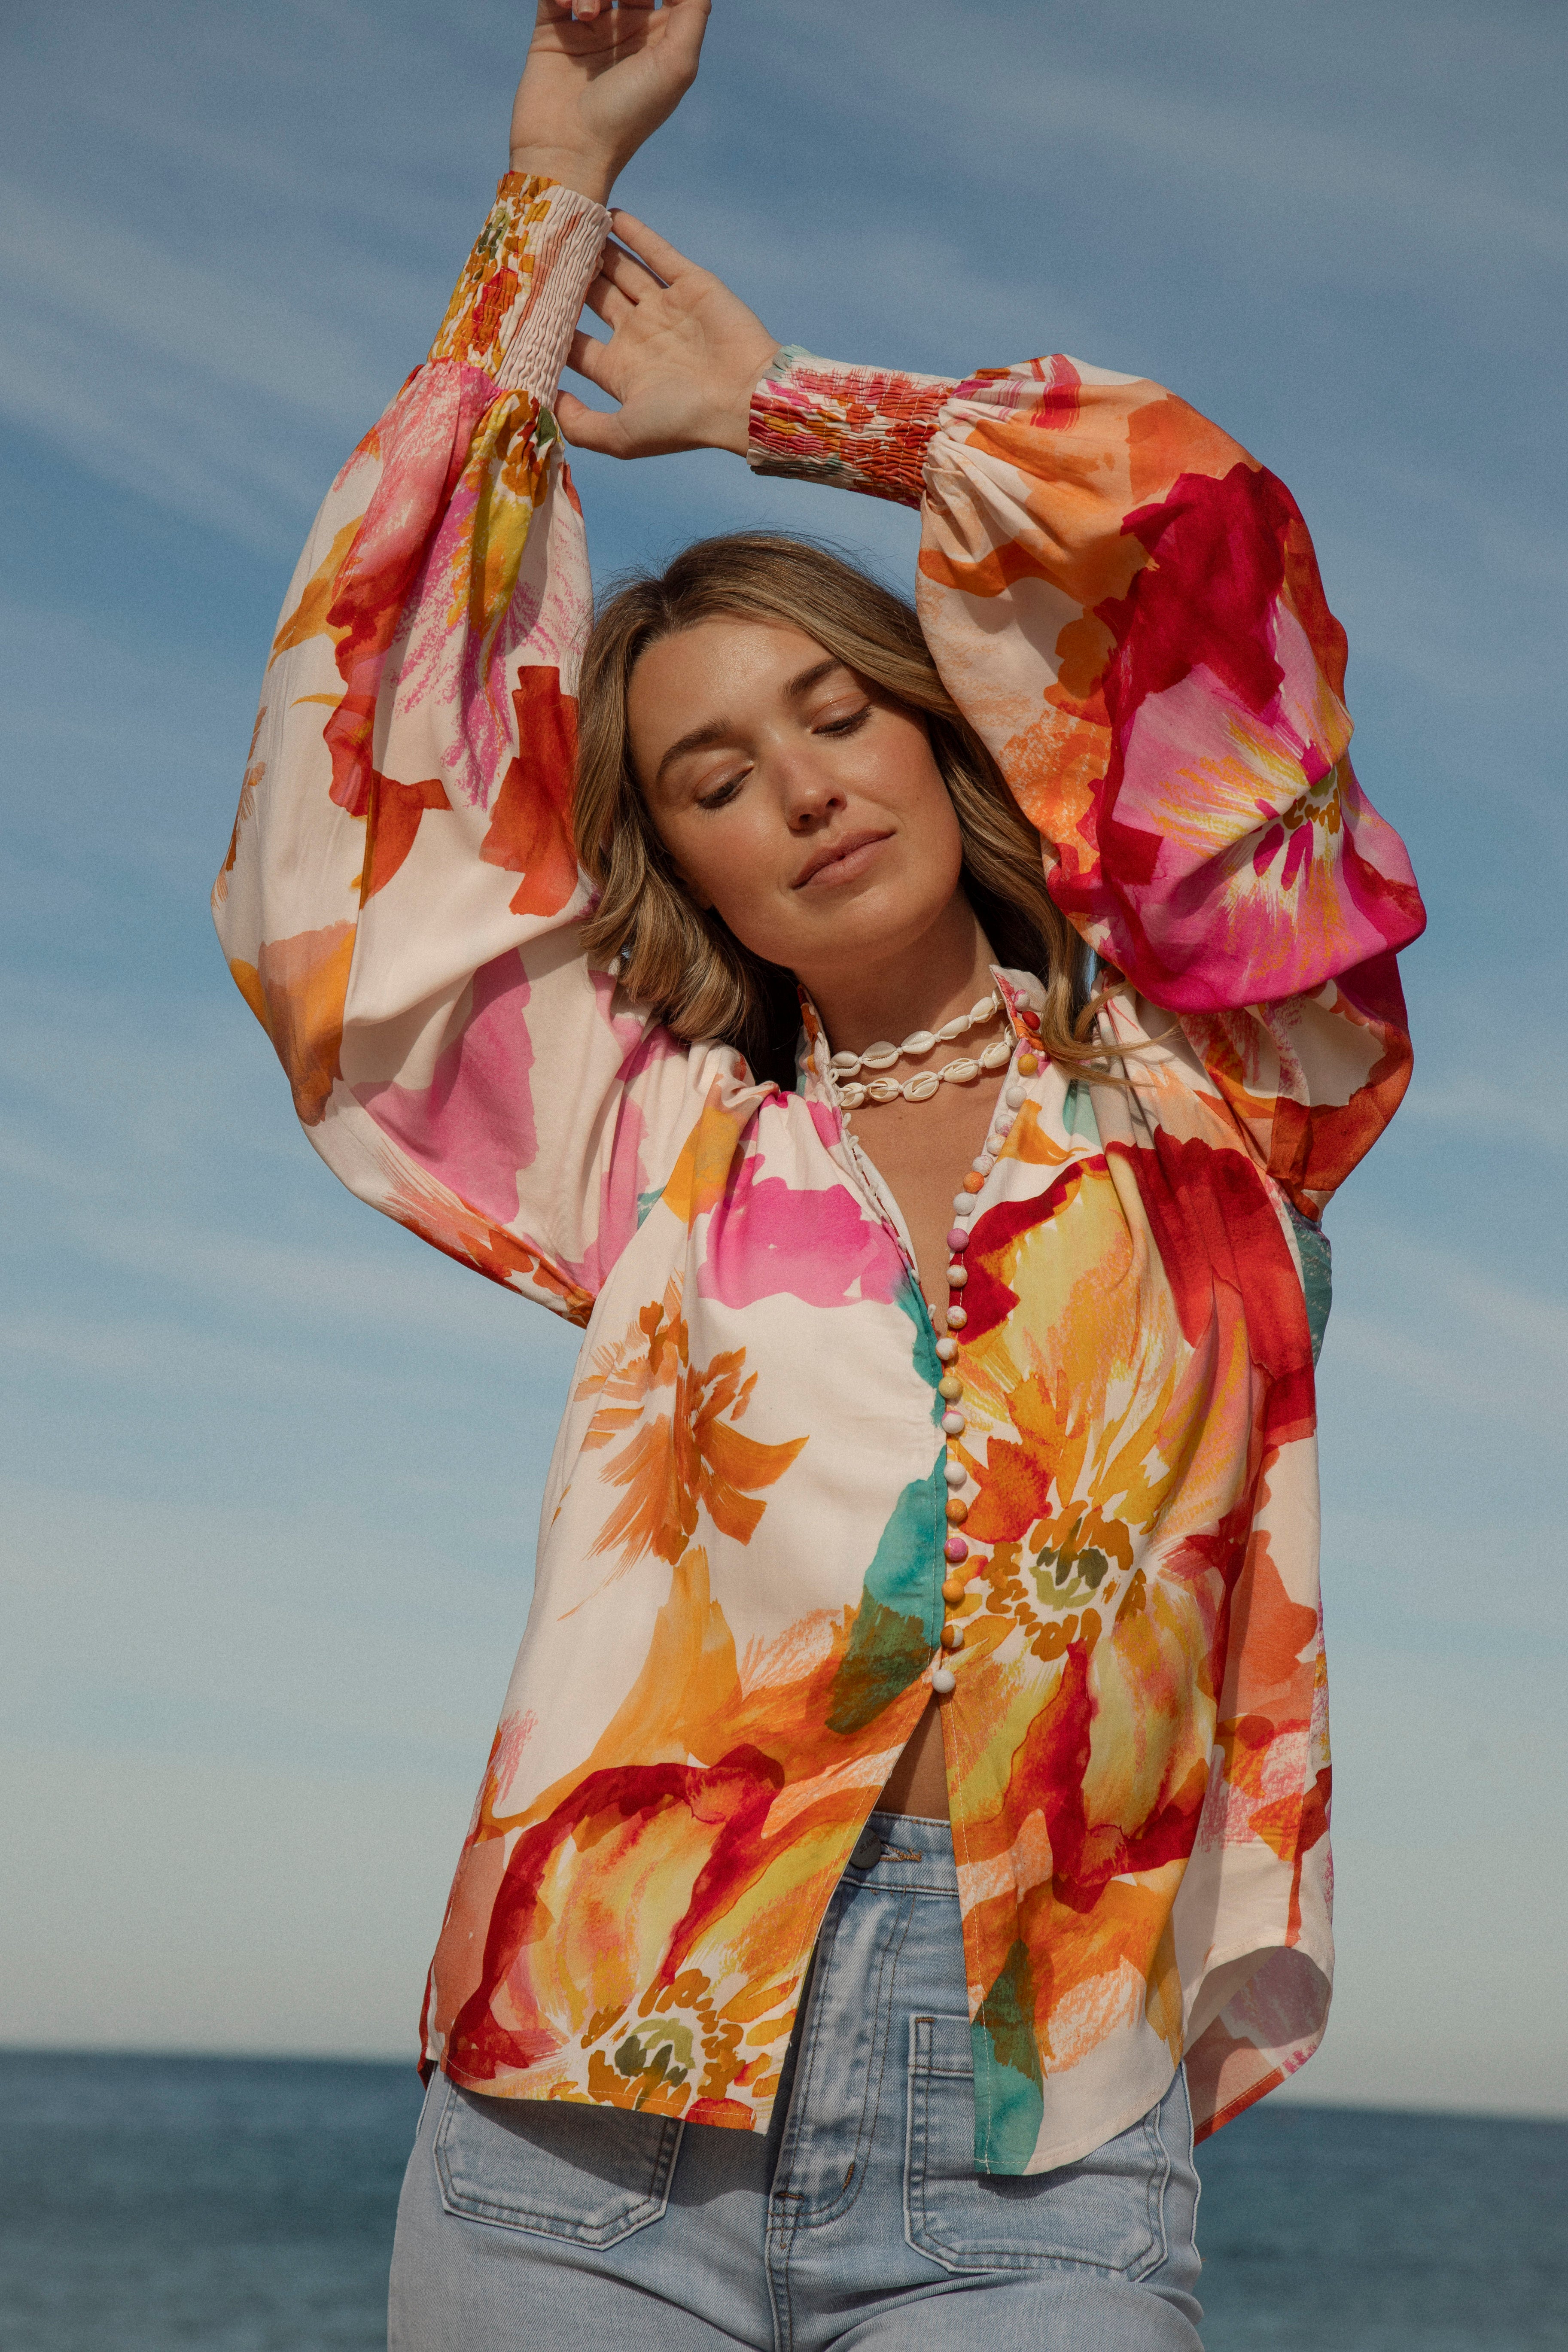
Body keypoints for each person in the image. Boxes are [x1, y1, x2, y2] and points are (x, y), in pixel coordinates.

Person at [214, 3, 1425, 2343]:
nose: (794, 786)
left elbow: (1197, 548)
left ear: (928, 723)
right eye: (703, 774)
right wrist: (545, 183)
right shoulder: (642, 1140)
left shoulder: (1224, 1100)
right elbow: (349, 793)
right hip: (578, 2120)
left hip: (1039, 2137)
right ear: (677, 863)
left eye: (832, 708)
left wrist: (789, 418)